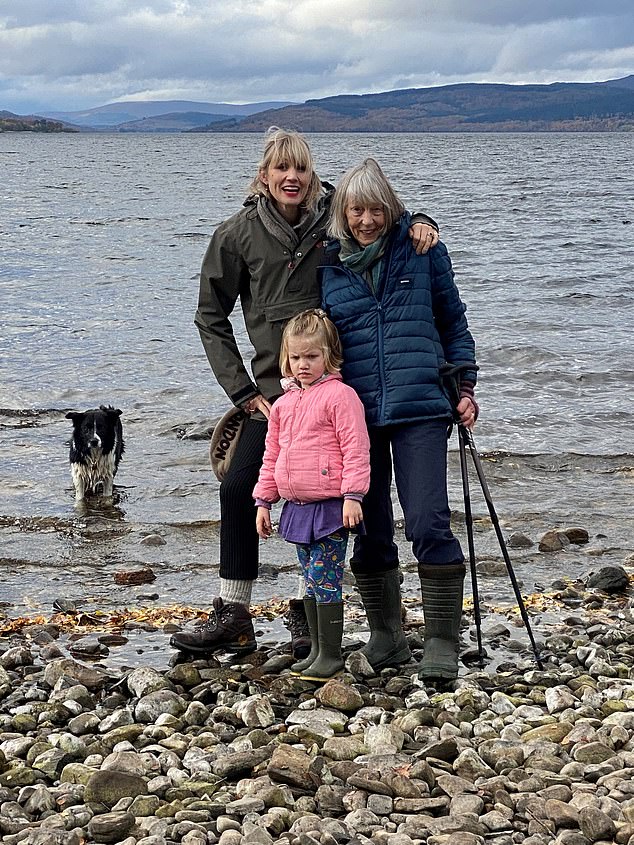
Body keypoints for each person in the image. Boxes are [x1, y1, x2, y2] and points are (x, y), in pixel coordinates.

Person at [170, 129, 439, 659]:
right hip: (272, 396)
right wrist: (244, 393)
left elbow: (379, 212)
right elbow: (209, 317)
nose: (291, 178)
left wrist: (423, 220)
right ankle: (233, 615)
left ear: (312, 175)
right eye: (280, 169)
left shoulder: (333, 217)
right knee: (239, 488)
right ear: (265, 175)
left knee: (322, 497)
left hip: (339, 391)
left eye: (301, 169)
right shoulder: (236, 235)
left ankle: (306, 614)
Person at [320, 158, 478, 683]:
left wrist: (467, 386)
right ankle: (387, 636)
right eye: (356, 209)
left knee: (429, 517)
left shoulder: (422, 249)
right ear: (343, 212)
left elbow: (453, 321)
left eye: (375, 209)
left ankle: (439, 640)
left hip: (422, 408)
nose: (366, 219)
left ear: (392, 210)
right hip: (355, 416)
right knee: (366, 525)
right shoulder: (328, 266)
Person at [253, 309, 370, 681]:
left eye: (312, 356)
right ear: (286, 359)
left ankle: (331, 653)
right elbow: (272, 455)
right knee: (309, 575)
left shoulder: (340, 396)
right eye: (296, 357)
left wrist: (353, 495)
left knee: (326, 576)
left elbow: (355, 447)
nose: (303, 364)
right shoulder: (283, 406)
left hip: (331, 507)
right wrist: (263, 501)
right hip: (297, 506)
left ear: (329, 357)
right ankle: (317, 648)